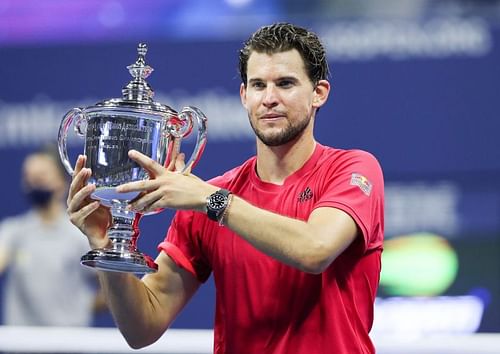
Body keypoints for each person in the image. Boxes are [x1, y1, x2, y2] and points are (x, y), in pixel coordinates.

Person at [67, 22, 384, 353]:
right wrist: (106, 247)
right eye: (258, 85)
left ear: (319, 93)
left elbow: (315, 249)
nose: (270, 98)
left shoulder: (352, 169)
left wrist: (212, 200)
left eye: (286, 84)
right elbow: (143, 327)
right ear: (244, 96)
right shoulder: (208, 199)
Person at [0, 144, 105, 327]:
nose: (34, 184)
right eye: (29, 178)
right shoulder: (13, 232)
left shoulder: (81, 234)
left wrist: (79, 308)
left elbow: (115, 286)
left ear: (62, 183)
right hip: (21, 344)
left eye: (41, 178)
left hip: (68, 342)